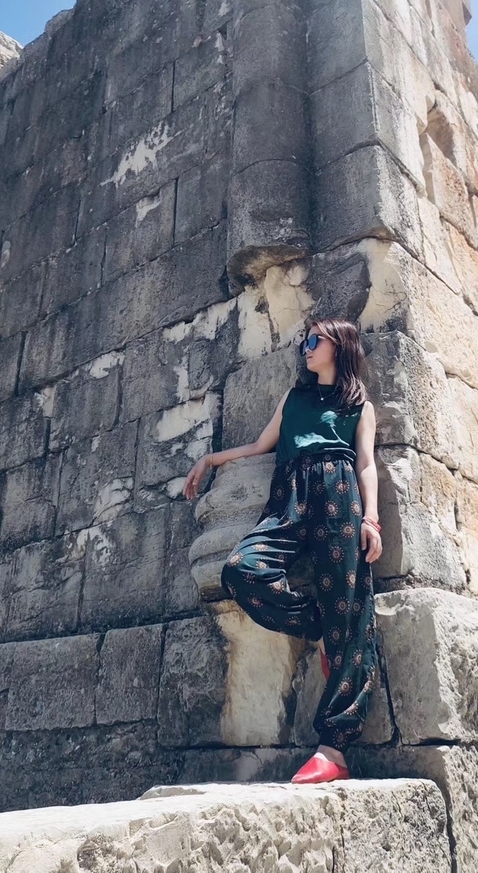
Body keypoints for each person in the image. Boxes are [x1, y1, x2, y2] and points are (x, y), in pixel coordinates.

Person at [183, 316, 382, 783]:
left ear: (340, 345)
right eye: (304, 341)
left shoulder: (358, 405)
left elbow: (368, 463)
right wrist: (212, 458)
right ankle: (317, 624)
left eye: (315, 340)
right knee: (241, 571)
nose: (306, 348)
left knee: (352, 612)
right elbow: (259, 445)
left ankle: (335, 750)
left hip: (339, 495)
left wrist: (371, 519)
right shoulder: (294, 398)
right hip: (290, 497)